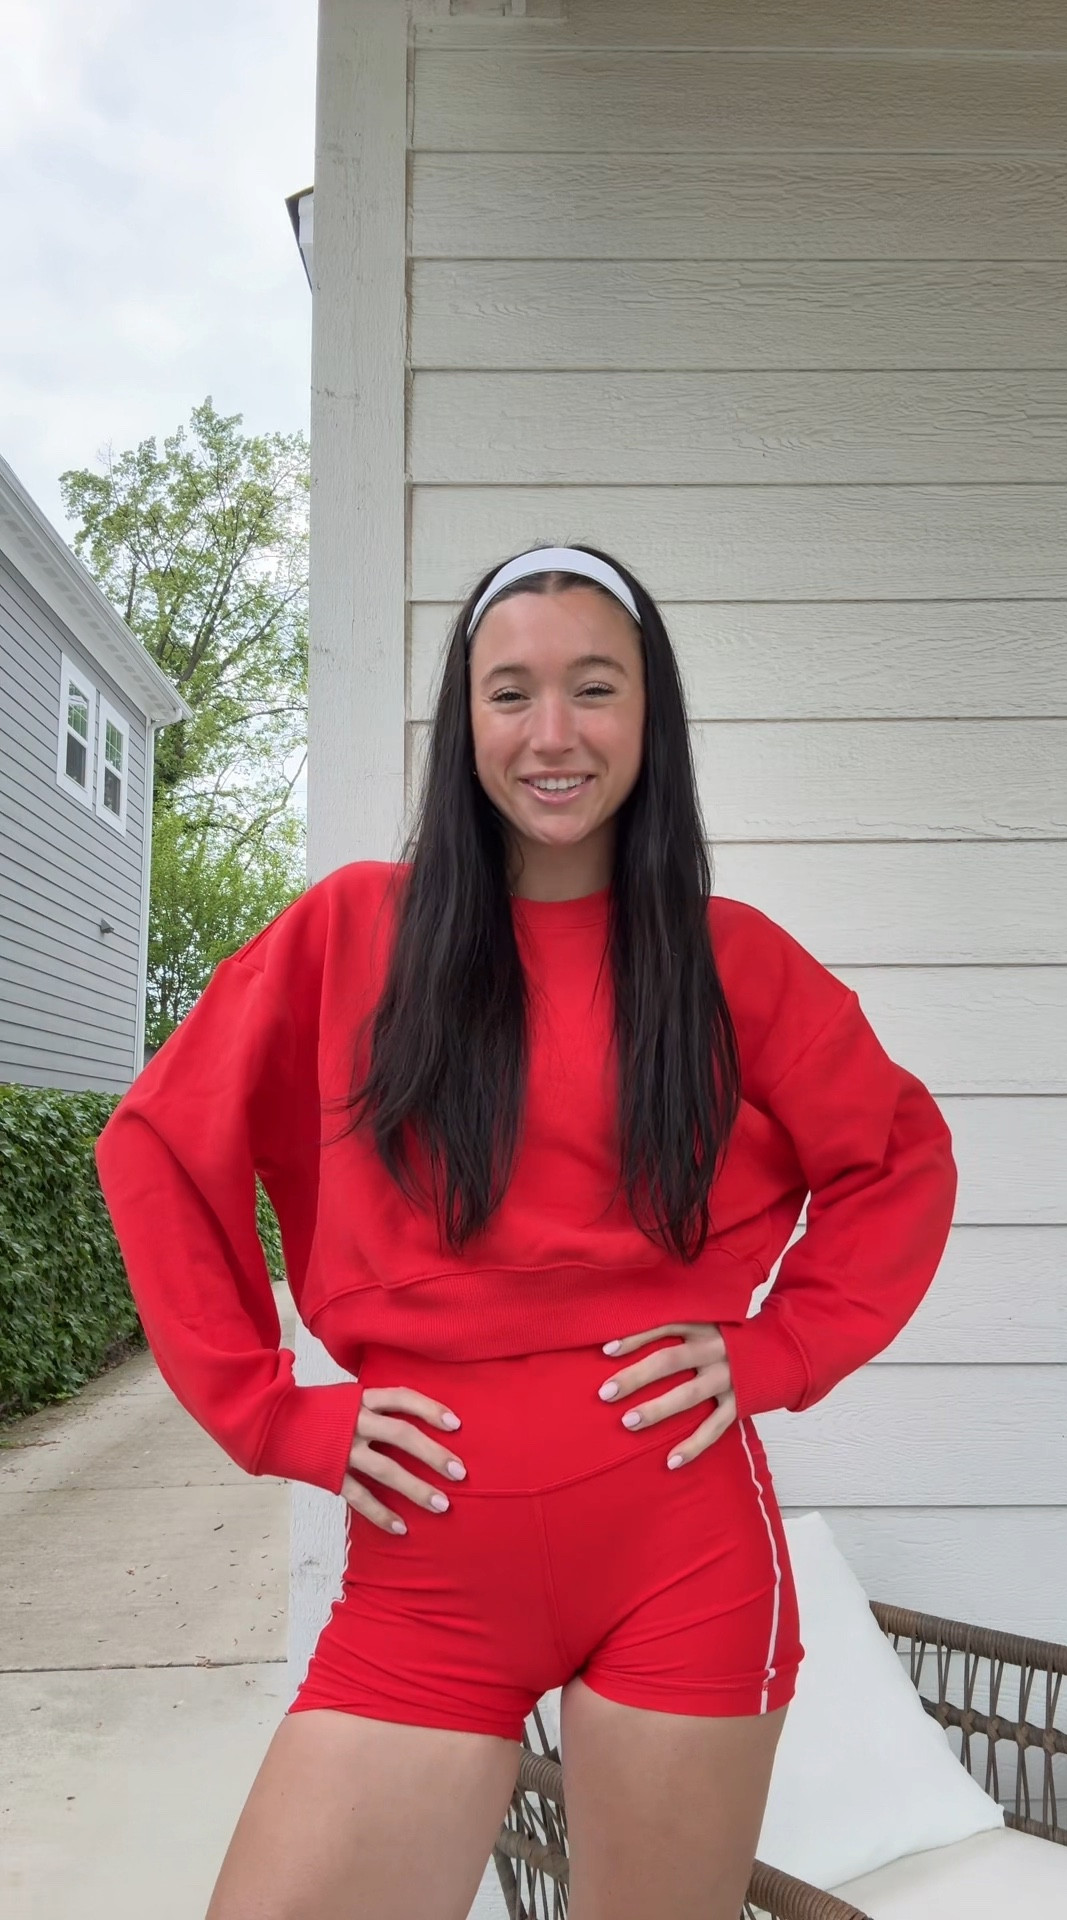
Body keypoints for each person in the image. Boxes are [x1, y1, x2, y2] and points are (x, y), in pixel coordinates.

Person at [95, 543, 957, 1920]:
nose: (552, 733)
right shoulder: (349, 936)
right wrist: (275, 1416)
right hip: (427, 1578)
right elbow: (155, 1147)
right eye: (511, 693)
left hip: (683, 1554)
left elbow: (900, 1159)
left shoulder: (730, 961)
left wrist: (783, 1347)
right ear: (468, 724)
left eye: (593, 688)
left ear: (648, 718)